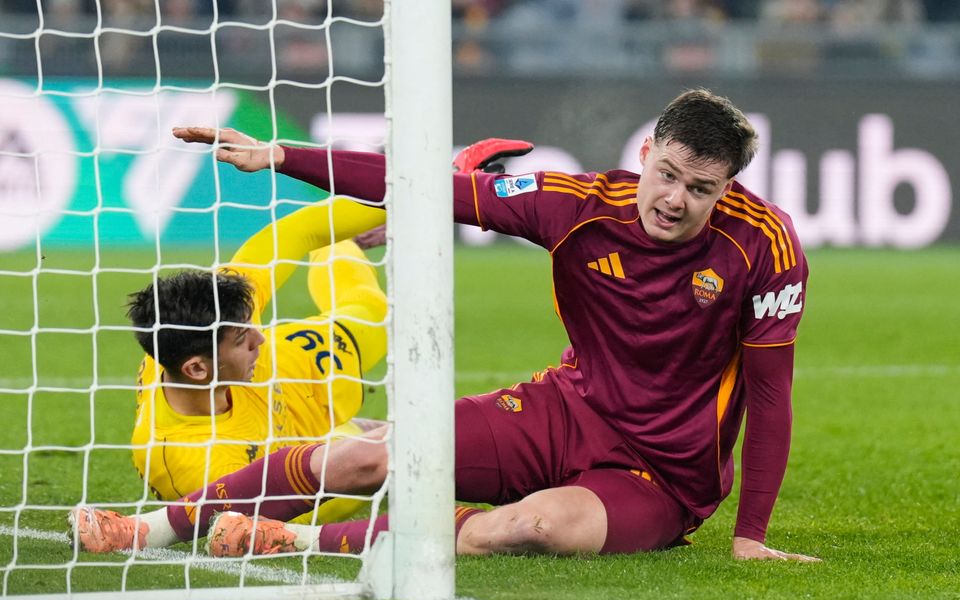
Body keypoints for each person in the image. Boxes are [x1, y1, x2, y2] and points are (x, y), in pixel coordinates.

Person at [73, 89, 818, 562]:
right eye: (669, 174)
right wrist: (279, 155)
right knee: (375, 455)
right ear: (647, 154)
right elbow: (437, 189)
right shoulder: (577, 203)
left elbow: (771, 396)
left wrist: (750, 534)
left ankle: (293, 539)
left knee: (534, 528)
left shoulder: (766, 248)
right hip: (565, 410)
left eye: (702, 189)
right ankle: (153, 529)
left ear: (728, 190)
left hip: (661, 473)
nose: (676, 200)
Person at [118, 194, 390, 529]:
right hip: (294, 467)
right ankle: (361, 433)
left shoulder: (212, 310)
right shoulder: (198, 464)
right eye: (242, 339)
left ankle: (340, 246)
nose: (260, 337)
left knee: (372, 311)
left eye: (252, 326)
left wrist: (405, 193)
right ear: (198, 369)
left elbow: (296, 231)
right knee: (369, 473)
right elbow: (259, 521)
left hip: (295, 372)